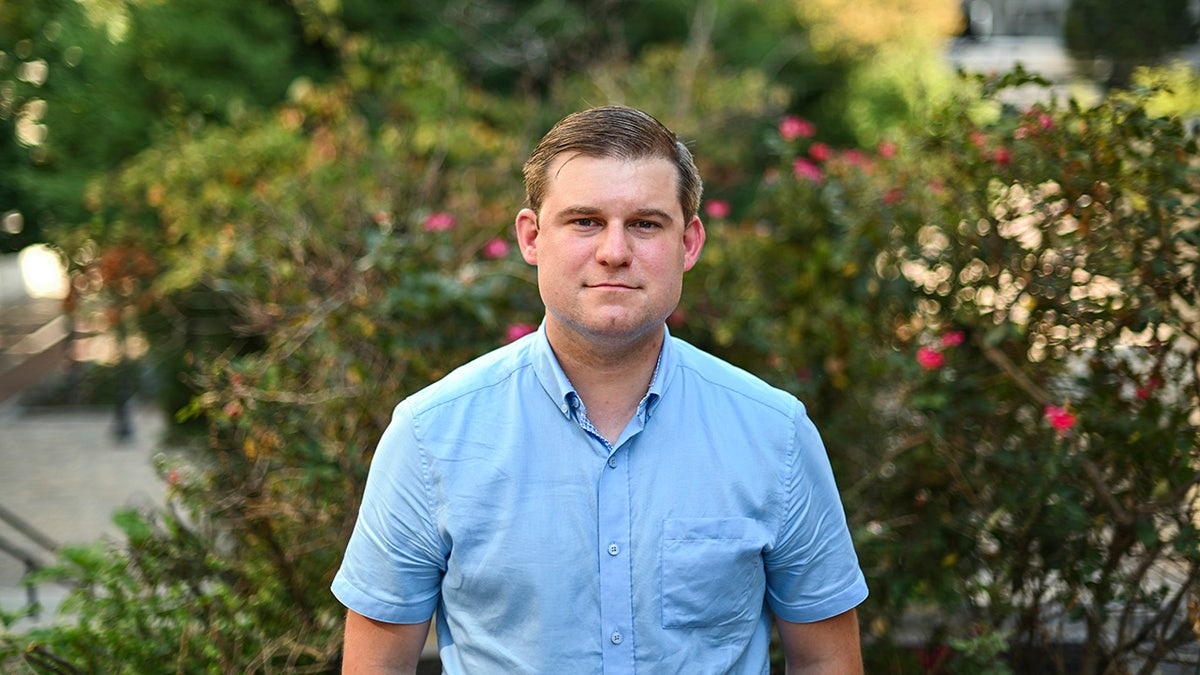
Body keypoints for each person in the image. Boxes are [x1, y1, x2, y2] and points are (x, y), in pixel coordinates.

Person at [332, 105, 868, 673]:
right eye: (585, 221)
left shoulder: (775, 434)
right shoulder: (429, 435)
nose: (614, 251)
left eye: (645, 223)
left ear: (688, 243)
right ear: (532, 237)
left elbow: (825, 663)